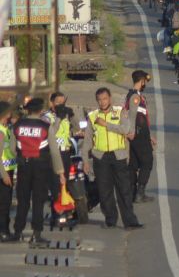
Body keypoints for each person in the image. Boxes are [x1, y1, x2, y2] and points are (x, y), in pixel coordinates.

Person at [80, 89, 141, 229]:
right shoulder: (93, 116)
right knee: (104, 190)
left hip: (118, 155)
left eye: (105, 99)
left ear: (110, 98)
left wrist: (107, 125)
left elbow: (126, 129)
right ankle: (110, 219)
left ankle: (130, 221)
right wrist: (85, 161)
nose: (102, 102)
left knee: (124, 190)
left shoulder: (120, 112)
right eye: (99, 100)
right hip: (100, 157)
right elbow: (88, 140)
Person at [8, 99, 66, 246]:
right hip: (41, 167)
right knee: (38, 201)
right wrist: (60, 172)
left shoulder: (17, 126)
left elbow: (12, 149)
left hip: (23, 166)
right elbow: (54, 151)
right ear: (40, 110)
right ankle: (36, 234)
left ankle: (17, 232)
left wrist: (21, 158)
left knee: (23, 200)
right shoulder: (46, 127)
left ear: (27, 110)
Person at [125, 70, 155, 203]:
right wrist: (132, 132)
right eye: (145, 82)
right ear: (141, 81)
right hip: (138, 133)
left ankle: (133, 192)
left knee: (134, 162)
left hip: (140, 132)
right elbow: (132, 115)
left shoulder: (135, 95)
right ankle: (140, 192)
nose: (145, 84)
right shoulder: (135, 97)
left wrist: (149, 135)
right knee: (147, 161)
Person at [0, 102, 17, 241]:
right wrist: (5, 175)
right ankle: (4, 232)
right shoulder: (1, 132)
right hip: (3, 173)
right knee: (4, 204)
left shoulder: (7, 129)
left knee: (5, 203)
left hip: (8, 170)